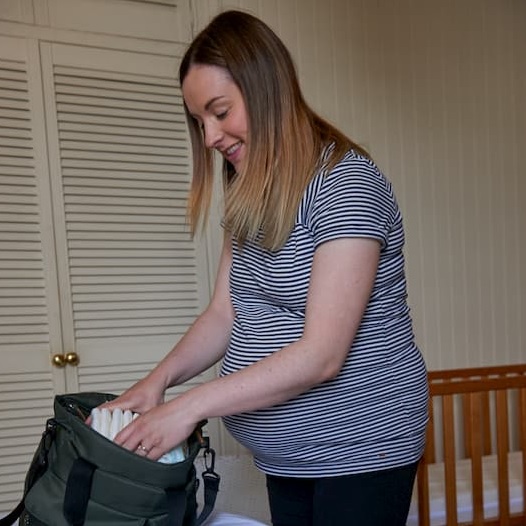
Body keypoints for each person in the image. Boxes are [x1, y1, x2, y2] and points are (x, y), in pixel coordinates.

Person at [102, 9, 429, 526]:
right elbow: (223, 314)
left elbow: (321, 356)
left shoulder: (346, 186)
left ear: (267, 89)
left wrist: (190, 408)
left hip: (359, 447)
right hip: (288, 454)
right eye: (199, 121)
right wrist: (158, 381)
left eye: (220, 111)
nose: (209, 136)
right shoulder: (249, 189)